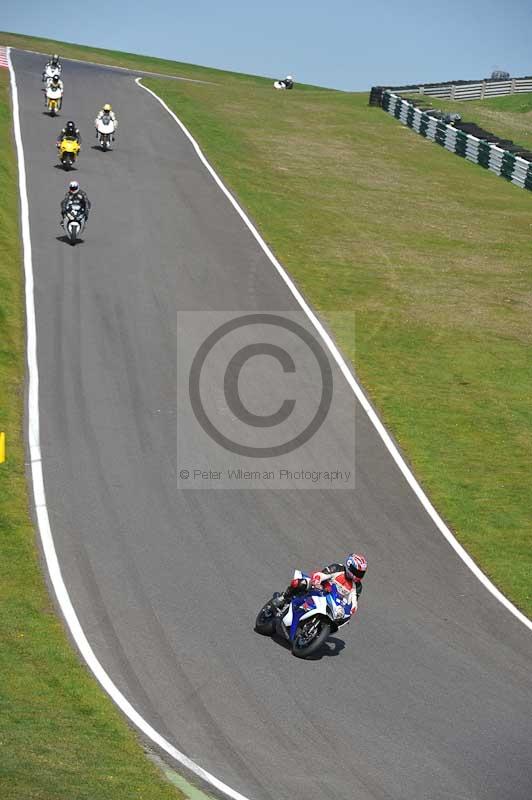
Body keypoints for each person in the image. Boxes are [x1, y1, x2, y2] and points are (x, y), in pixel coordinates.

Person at [272, 553, 367, 615]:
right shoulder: (338, 568)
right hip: (319, 589)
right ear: (349, 565)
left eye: (361, 573)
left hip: (332, 604)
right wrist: (317, 580)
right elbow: (321, 575)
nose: (359, 575)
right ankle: (283, 598)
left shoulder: (357, 586)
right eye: (357, 572)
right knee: (300, 583)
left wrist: (352, 608)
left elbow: (353, 601)